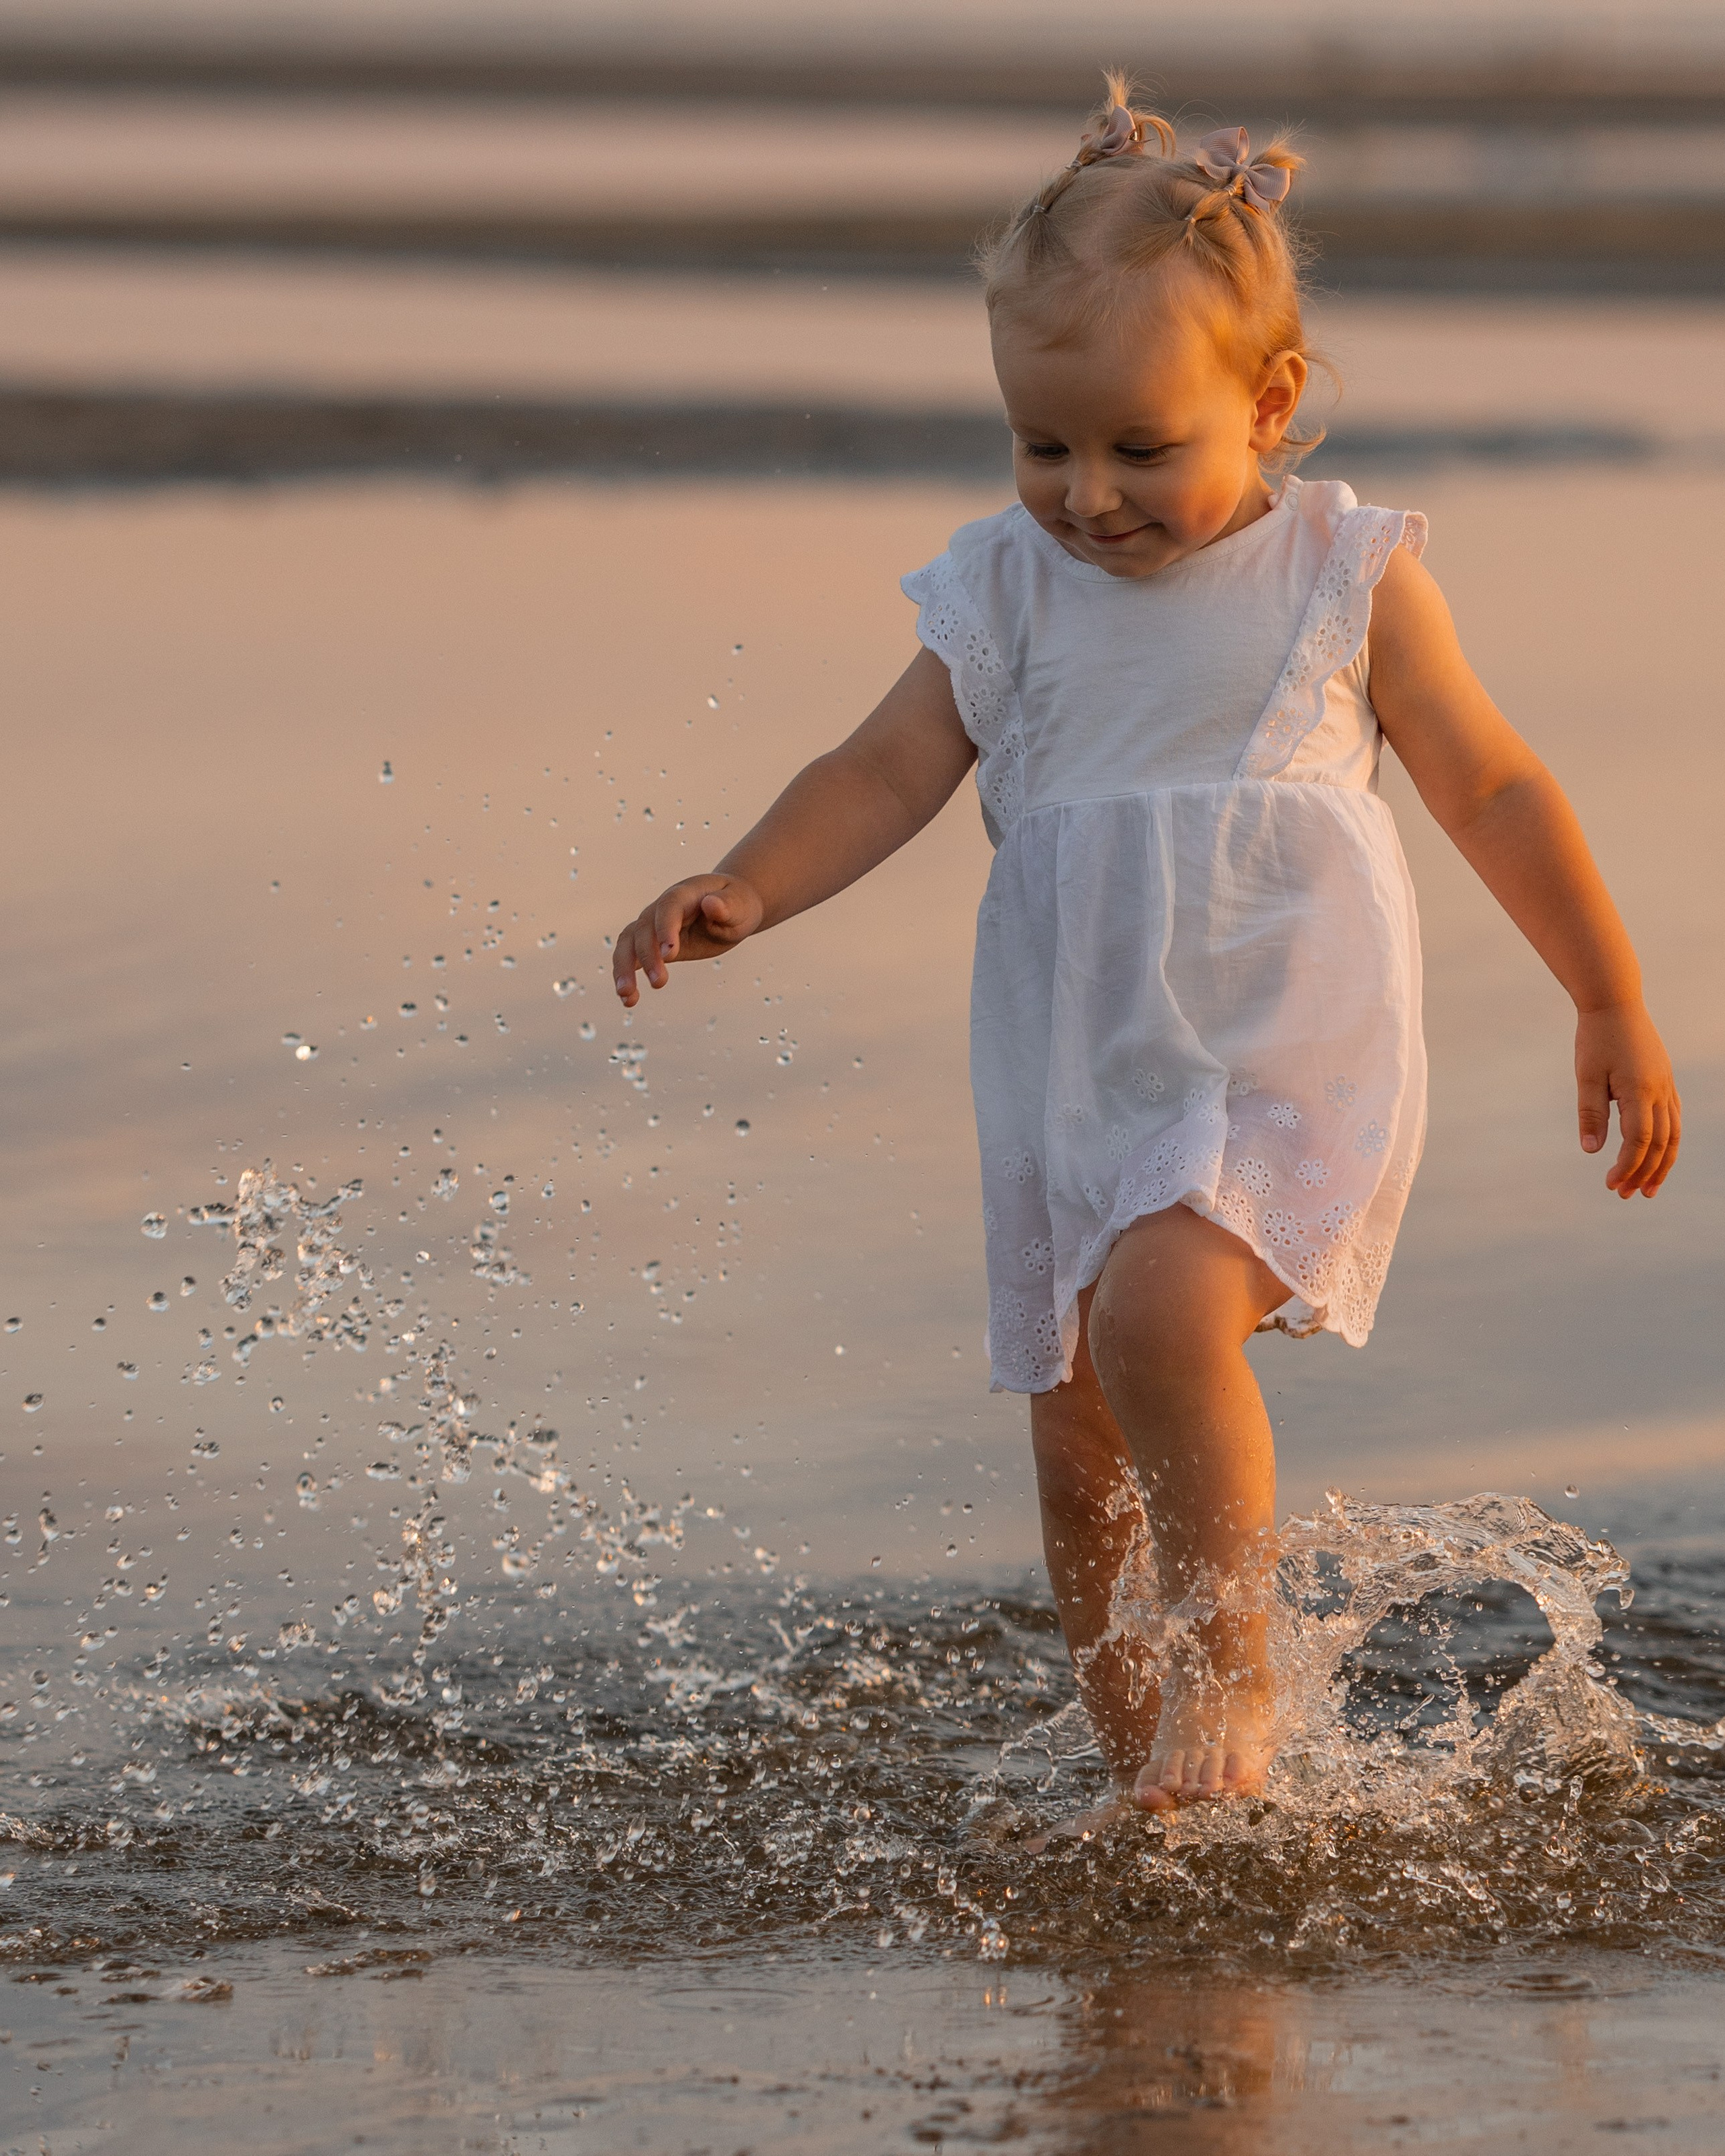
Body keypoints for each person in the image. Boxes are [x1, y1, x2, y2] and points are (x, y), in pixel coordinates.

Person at [612, 79, 1680, 1827]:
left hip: (1277, 1040)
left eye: (1138, 448)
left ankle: (1236, 1682)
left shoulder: (1343, 577)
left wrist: (1609, 993)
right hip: (1080, 1063)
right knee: (1074, 1426)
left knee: (1168, 1318)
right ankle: (1154, 1792)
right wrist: (747, 881)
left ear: (1267, 410)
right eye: (1043, 448)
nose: (1087, 495)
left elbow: (1491, 780)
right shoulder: (1004, 596)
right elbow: (881, 770)